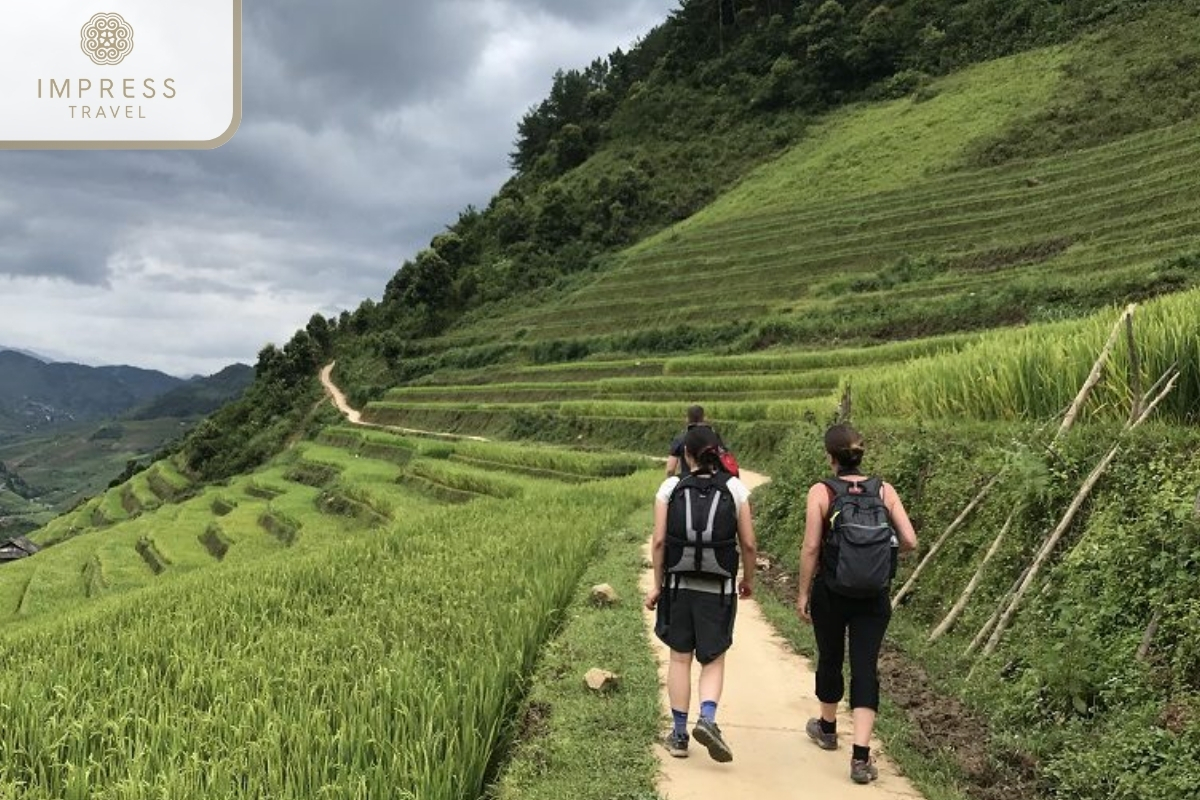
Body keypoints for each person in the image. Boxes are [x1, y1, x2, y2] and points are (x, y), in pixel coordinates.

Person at [795, 424, 918, 784]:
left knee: (830, 656)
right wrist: (878, 555)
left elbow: (811, 547)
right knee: (865, 667)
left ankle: (828, 728)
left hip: (831, 592)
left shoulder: (821, 490)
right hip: (874, 596)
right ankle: (861, 758)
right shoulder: (884, 489)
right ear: (860, 455)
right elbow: (909, 539)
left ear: (830, 456)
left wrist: (803, 593)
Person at [646, 425, 757, 762]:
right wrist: (747, 579)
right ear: (718, 453)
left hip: (678, 587)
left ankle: (679, 735)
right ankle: (707, 719)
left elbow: (660, 541)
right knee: (713, 658)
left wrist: (657, 584)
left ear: (686, 455)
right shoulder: (735, 488)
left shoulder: (670, 487)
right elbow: (749, 544)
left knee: (680, 657)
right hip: (719, 588)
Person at [666, 405, 723, 479]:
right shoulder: (714, 436)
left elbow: (670, 469)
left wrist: (672, 482)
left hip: (688, 482)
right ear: (704, 418)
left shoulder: (680, 439)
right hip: (712, 482)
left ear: (687, 419)